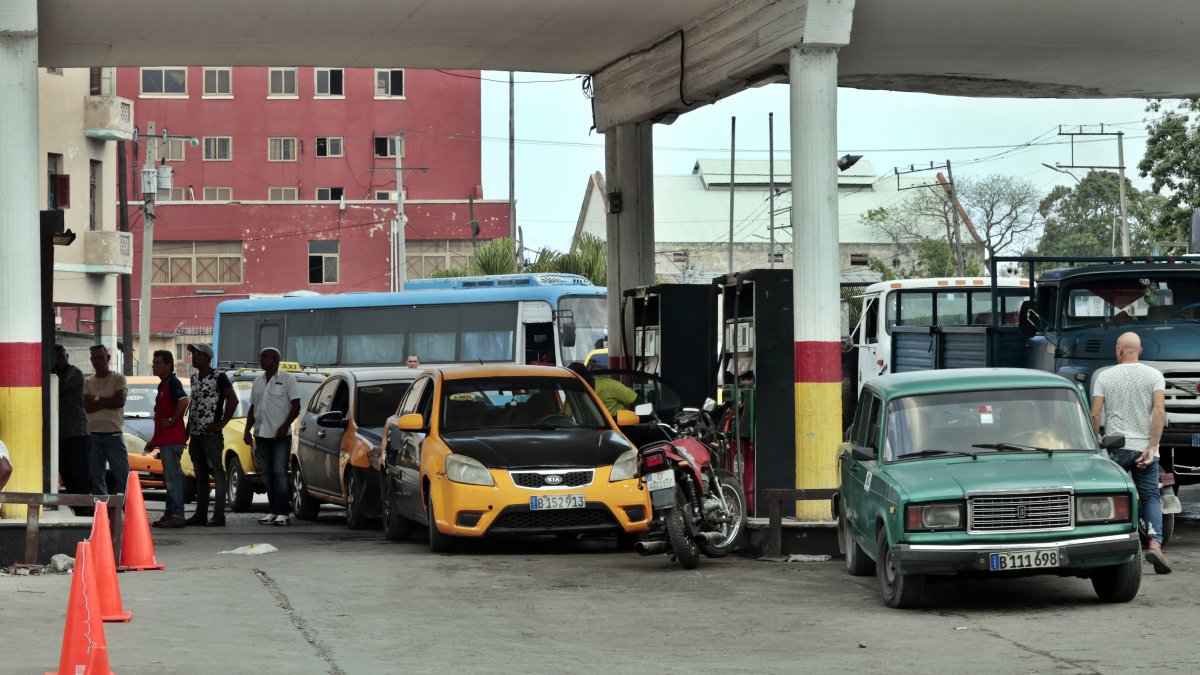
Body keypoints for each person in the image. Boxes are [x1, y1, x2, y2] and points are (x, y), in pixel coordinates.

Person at [1091, 331, 1171, 574]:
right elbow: (1159, 411)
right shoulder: (1154, 375)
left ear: (1119, 349)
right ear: (1140, 350)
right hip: (1144, 448)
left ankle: (1111, 544)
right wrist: (1152, 447)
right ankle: (1155, 544)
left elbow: (1095, 414)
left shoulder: (1105, 376)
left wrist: (1094, 444)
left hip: (1116, 448)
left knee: (1111, 495)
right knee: (1151, 496)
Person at [244, 348, 300, 526]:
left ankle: (283, 513)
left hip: (279, 436)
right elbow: (253, 408)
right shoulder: (258, 380)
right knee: (267, 475)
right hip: (261, 434)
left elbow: (296, 405)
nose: (260, 359)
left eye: (264, 357)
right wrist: (247, 430)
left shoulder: (287, 379)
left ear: (275, 359)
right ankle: (273, 511)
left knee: (280, 474)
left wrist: (284, 426)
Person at [184, 344, 237, 527]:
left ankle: (219, 515)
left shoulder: (219, 376)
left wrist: (221, 424)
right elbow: (194, 405)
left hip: (211, 434)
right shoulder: (194, 378)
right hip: (196, 433)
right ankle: (201, 514)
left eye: (198, 354)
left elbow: (233, 400)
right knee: (200, 475)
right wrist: (187, 430)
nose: (193, 357)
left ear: (208, 358)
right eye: (193, 354)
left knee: (218, 473)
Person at [144, 350, 190, 529]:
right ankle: (171, 513)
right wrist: (154, 440)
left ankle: (177, 515)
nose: (154, 366)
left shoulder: (172, 382)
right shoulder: (163, 384)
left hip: (172, 439)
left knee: (172, 478)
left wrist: (172, 420)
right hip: (166, 439)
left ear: (168, 365)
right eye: (154, 362)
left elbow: (183, 401)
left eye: (158, 363)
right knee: (169, 478)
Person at [83, 345, 128, 495]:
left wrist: (96, 399)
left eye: (100, 357)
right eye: (94, 358)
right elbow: (87, 407)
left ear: (108, 358)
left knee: (122, 475)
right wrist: (108, 401)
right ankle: (102, 507)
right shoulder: (87, 381)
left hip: (113, 434)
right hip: (93, 435)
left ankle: (126, 506)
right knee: (96, 477)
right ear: (91, 360)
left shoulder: (118, 378)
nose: (97, 361)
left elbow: (119, 402)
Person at [52, 345, 91, 512]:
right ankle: (76, 507)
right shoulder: (52, 372)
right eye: (56, 357)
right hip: (59, 433)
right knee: (66, 472)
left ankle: (84, 508)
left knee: (79, 473)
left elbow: (58, 387)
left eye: (61, 356)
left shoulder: (74, 373)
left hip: (77, 431)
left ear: (67, 356)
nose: (59, 360)